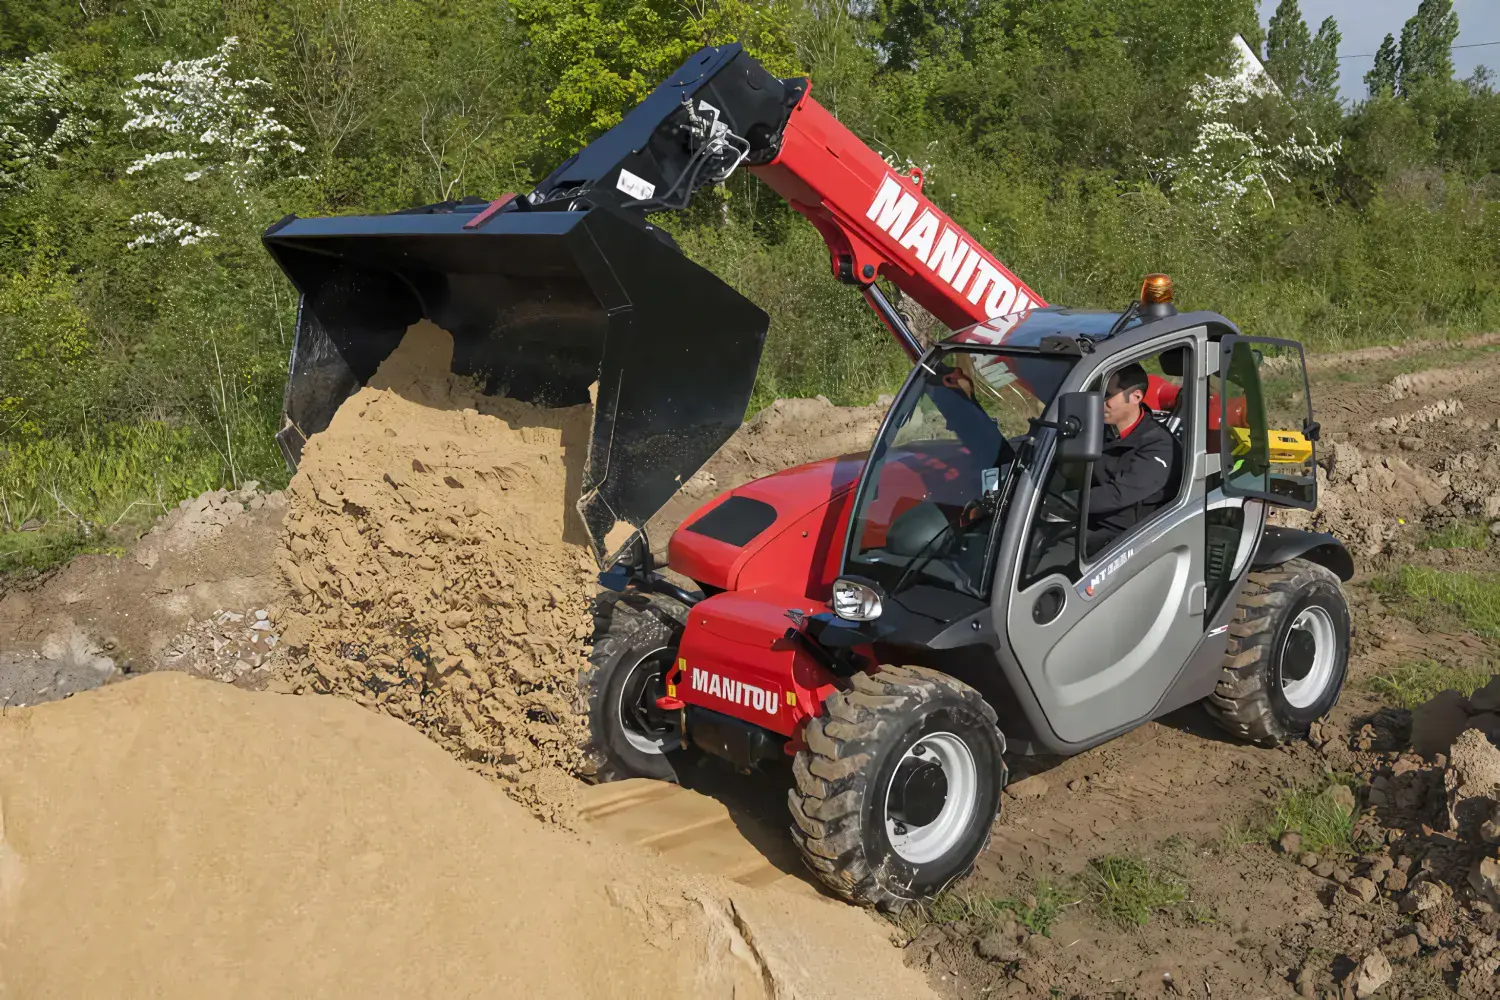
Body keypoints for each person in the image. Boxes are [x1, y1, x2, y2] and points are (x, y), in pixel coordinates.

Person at [1086, 363, 1178, 552]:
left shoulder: (1160, 445)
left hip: (1125, 535)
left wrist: (1064, 504)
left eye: (1108, 395)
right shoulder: (1097, 427)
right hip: (1090, 518)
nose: (1100, 401)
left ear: (1135, 396)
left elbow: (1118, 495)